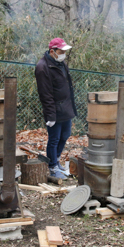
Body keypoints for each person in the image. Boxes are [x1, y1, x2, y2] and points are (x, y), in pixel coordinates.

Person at [35, 37, 77, 180]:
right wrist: (50, 115)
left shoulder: (60, 63)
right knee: (54, 139)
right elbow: (45, 94)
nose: (64, 53)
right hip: (54, 110)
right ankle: (52, 166)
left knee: (65, 136)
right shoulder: (42, 67)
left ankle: (57, 161)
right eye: (62, 50)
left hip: (65, 108)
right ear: (52, 51)